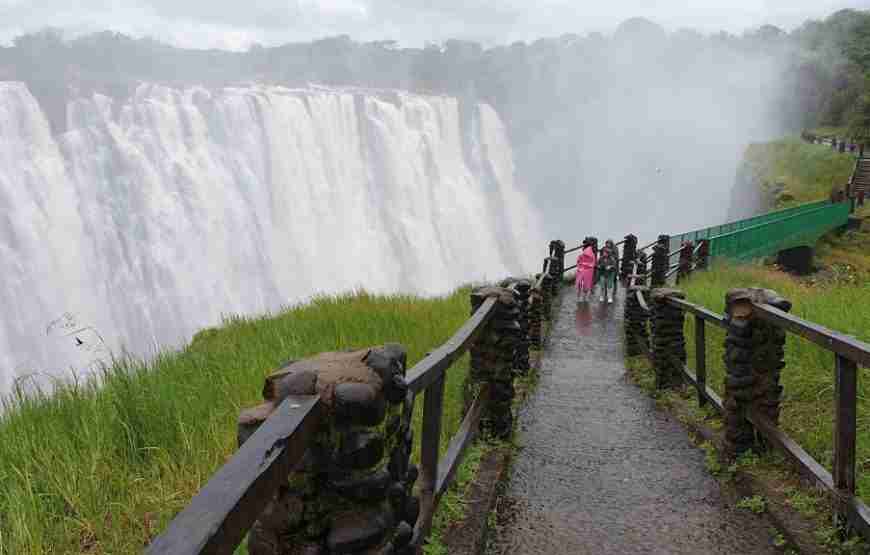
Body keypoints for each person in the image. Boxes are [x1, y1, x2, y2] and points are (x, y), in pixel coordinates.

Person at [576, 238, 597, 303]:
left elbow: (590, 262)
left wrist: (582, 264)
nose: (583, 244)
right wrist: (580, 264)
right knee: (583, 283)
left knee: (583, 283)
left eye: (585, 243)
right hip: (584, 270)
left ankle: (582, 297)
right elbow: (580, 260)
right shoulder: (589, 251)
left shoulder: (588, 251)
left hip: (586, 270)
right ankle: (583, 297)